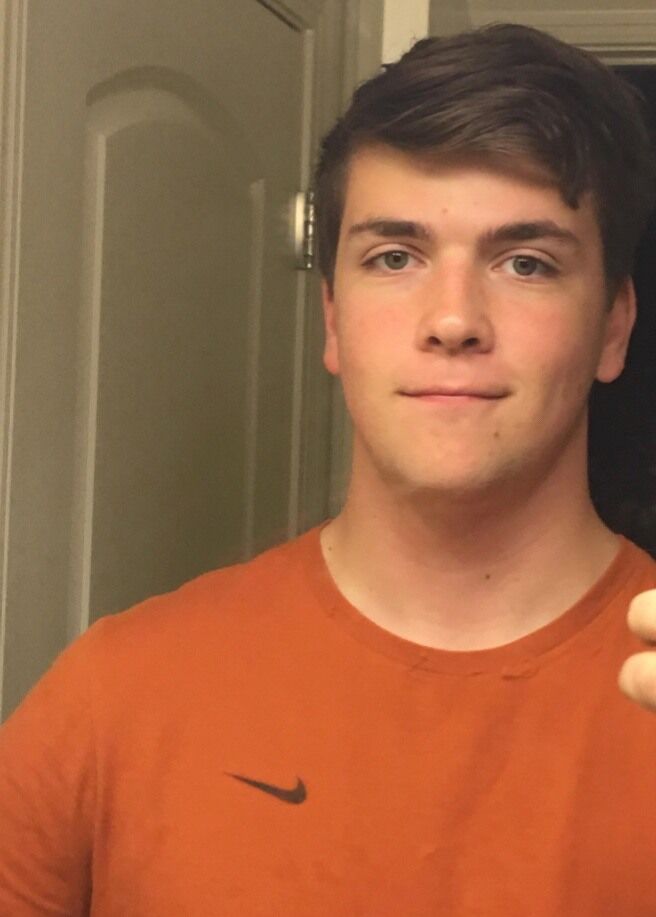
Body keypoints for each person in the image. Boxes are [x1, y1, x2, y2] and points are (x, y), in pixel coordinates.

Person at [1, 21, 656, 917]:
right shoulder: (114, 694)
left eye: (526, 262)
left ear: (614, 326)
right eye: (395, 257)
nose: (453, 320)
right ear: (334, 320)